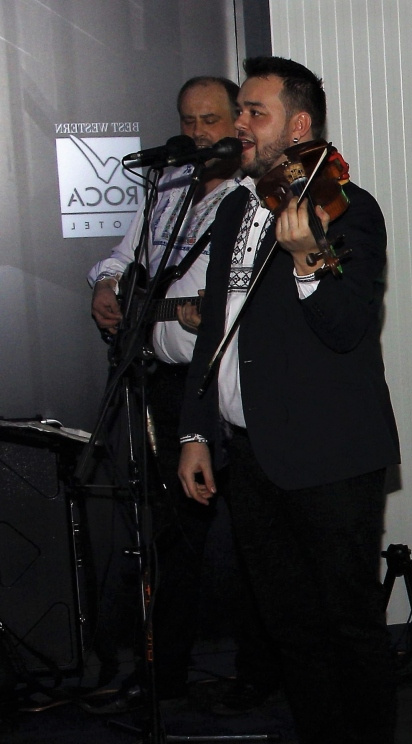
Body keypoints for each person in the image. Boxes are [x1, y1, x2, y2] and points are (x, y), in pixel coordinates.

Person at [177, 57, 401, 744]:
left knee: (347, 630)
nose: (240, 124)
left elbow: (345, 327)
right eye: (239, 111)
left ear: (299, 125)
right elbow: (215, 329)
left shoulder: (349, 210)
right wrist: (196, 429)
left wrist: (308, 258)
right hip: (252, 457)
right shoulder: (236, 212)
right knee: (292, 633)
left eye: (255, 112)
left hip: (330, 457)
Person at [88, 76, 273, 706]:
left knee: (249, 534)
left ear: (237, 124)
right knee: (172, 534)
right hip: (167, 385)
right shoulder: (169, 186)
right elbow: (124, 255)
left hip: (225, 384)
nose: (198, 133)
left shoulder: (253, 197)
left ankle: (259, 672)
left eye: (211, 120)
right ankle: (163, 671)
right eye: (188, 121)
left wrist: (211, 315)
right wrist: (108, 283)